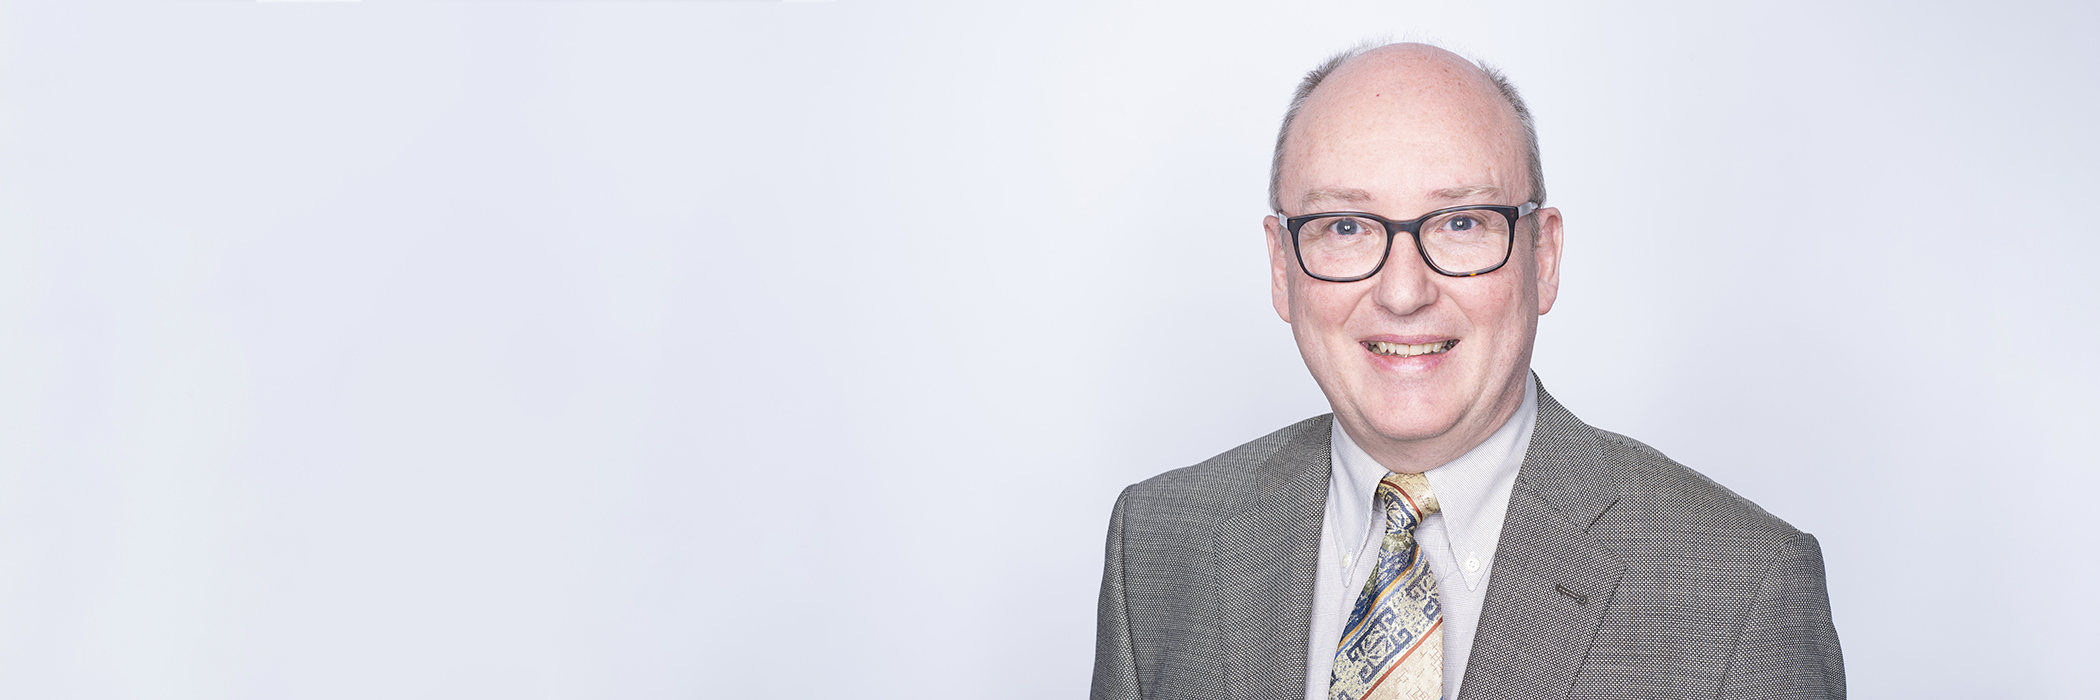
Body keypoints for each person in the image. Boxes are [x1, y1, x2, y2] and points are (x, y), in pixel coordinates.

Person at [1090, 43, 1843, 700]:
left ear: (1543, 258)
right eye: (1345, 227)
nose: (1403, 291)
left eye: (1461, 223)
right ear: (1282, 269)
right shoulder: (1158, 543)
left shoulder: (1743, 589)